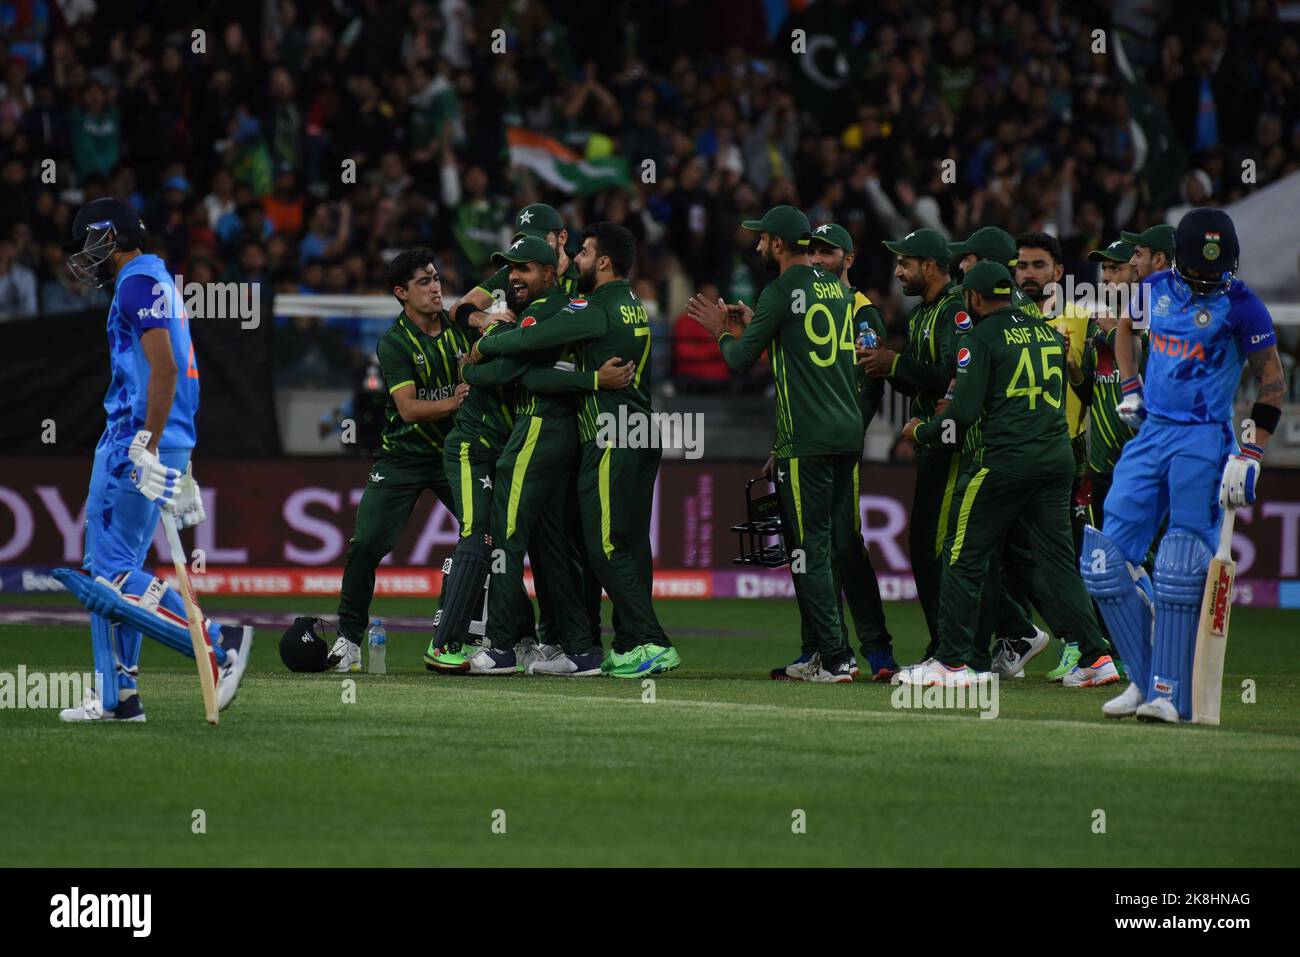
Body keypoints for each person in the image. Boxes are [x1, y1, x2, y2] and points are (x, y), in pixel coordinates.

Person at [51, 198, 252, 722]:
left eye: (87, 243)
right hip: (160, 434)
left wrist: (146, 440)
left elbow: (162, 369)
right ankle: (118, 698)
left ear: (109, 237)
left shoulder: (136, 283)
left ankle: (219, 642)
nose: (83, 257)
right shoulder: (155, 278)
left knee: (110, 576)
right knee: (108, 567)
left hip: (135, 438)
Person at [1090, 208, 1285, 722]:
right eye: (1197, 270)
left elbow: (1272, 385)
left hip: (1204, 437)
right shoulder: (1153, 289)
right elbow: (1125, 329)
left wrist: (1251, 453)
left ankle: (1169, 694)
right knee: (1105, 562)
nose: (1206, 281)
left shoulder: (1243, 306)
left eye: (1215, 272)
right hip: (1152, 431)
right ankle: (1141, 677)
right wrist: (1130, 388)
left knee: (1178, 563)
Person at [897, 262, 1120, 688]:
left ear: (974, 298)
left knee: (961, 555)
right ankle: (1096, 656)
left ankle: (950, 662)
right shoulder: (1047, 333)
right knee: (1059, 565)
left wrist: (921, 431)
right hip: (1055, 460)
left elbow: (960, 414)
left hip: (1004, 461)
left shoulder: (978, 339)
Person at [472, 223, 679, 678]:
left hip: (610, 433)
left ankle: (653, 642)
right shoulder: (632, 305)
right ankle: (626, 644)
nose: (575, 262)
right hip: (640, 430)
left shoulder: (595, 306)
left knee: (603, 545)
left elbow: (528, 345)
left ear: (603, 261)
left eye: (582, 253)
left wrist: (488, 340)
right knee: (628, 545)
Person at [425, 235, 633, 676]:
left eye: (523, 269)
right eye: (510, 270)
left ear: (549, 271)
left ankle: (501, 648)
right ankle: (580, 649)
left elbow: (512, 370)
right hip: (557, 434)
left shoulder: (548, 310)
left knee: (505, 535)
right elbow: (525, 361)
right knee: (552, 545)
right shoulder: (558, 309)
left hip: (537, 428)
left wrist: (471, 362)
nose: (514, 278)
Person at [687, 206, 861, 683]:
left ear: (780, 245)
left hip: (808, 439)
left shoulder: (782, 289)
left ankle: (837, 657)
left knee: (807, 549)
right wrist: (756, 321)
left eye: (763, 239)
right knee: (825, 547)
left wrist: (721, 331)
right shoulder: (838, 289)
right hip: (846, 434)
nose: (757, 245)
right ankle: (824, 652)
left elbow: (742, 359)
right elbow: (801, 345)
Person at [331, 249, 470, 671]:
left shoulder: (460, 326)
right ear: (401, 293)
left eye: (435, 277)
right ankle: (349, 642)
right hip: (402, 457)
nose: (435, 287)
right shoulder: (394, 343)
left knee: (488, 538)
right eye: (424, 282)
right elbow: (408, 409)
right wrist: (457, 400)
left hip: (456, 452)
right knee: (366, 545)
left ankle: (491, 638)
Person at [807, 222, 898, 680]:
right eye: (814, 252)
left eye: (828, 252)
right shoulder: (808, 307)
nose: (819, 259)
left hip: (838, 446)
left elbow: (870, 385)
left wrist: (847, 433)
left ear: (849, 259)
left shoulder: (862, 314)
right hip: (807, 444)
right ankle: (822, 650)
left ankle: (877, 649)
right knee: (813, 548)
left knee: (844, 545)